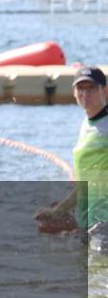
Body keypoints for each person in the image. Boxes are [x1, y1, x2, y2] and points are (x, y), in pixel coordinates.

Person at [36, 66, 108, 250]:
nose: (85, 93)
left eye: (91, 88)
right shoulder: (87, 125)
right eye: (80, 88)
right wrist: (59, 211)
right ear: (74, 92)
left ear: (104, 90)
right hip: (88, 223)